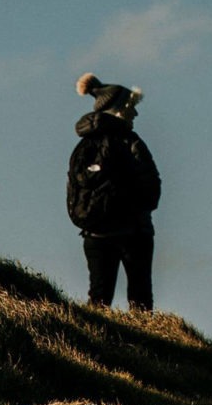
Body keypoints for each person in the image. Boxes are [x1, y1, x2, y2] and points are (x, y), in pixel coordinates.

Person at [68, 73, 161, 311]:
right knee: (140, 298)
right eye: (131, 107)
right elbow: (152, 190)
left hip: (95, 233)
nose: (135, 113)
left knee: (98, 299)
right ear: (118, 109)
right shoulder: (131, 141)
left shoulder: (84, 145)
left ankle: (96, 344)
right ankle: (145, 345)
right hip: (135, 232)